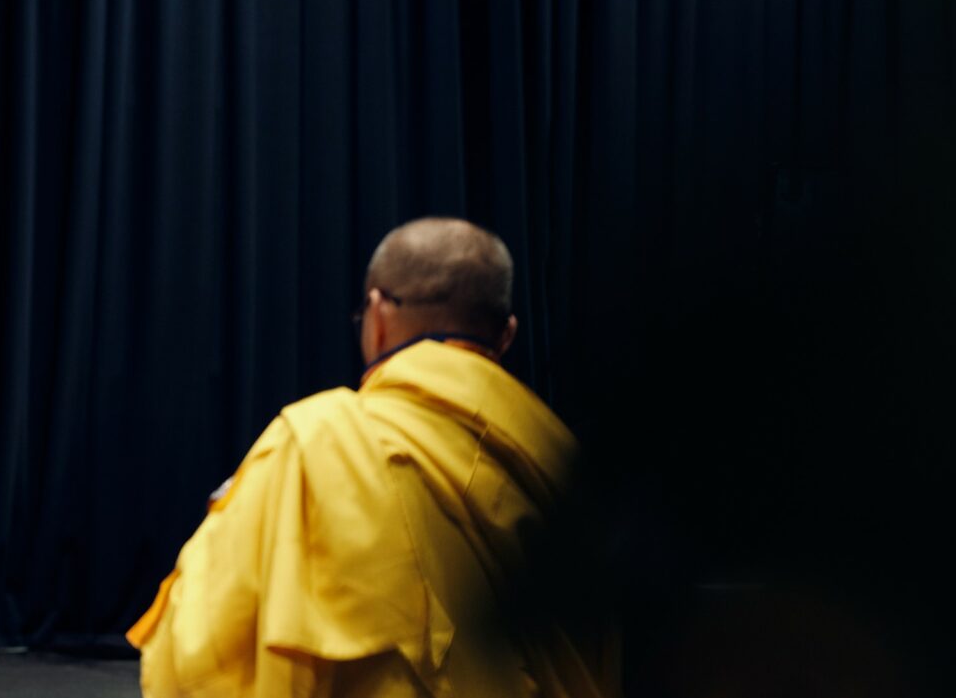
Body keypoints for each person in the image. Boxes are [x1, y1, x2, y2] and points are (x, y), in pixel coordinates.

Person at [129, 217, 612, 698]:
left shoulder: (319, 442)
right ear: (506, 335)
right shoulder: (564, 465)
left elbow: (200, 648)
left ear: (378, 315)